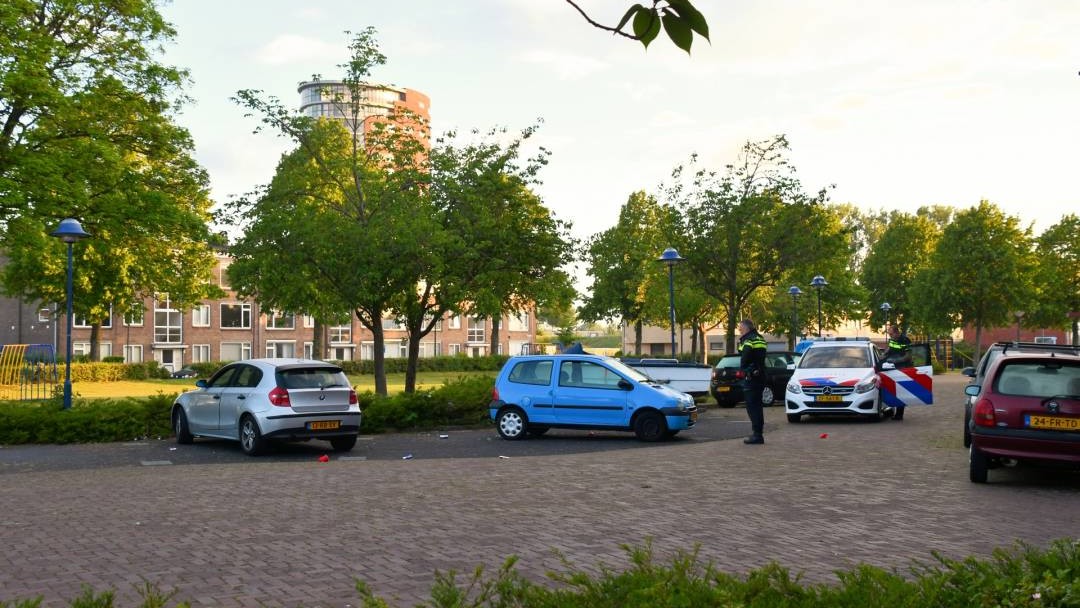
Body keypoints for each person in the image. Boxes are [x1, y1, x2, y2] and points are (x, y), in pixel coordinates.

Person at [738, 318, 768, 444]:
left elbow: (745, 358)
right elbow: (760, 357)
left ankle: (757, 435)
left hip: (751, 376)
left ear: (746, 328)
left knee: (752, 407)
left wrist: (744, 369)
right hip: (760, 375)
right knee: (758, 406)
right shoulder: (760, 338)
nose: (739, 331)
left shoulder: (748, 340)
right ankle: (758, 433)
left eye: (740, 328)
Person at [885, 324, 912, 420]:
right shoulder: (892, 339)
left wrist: (896, 361)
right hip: (895, 368)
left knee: (901, 391)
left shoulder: (905, 340)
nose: (890, 336)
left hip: (904, 369)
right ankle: (893, 411)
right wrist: (884, 355)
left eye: (891, 334)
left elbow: (908, 356)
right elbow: (890, 348)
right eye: (889, 334)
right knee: (895, 391)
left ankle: (899, 415)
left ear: (897, 332)